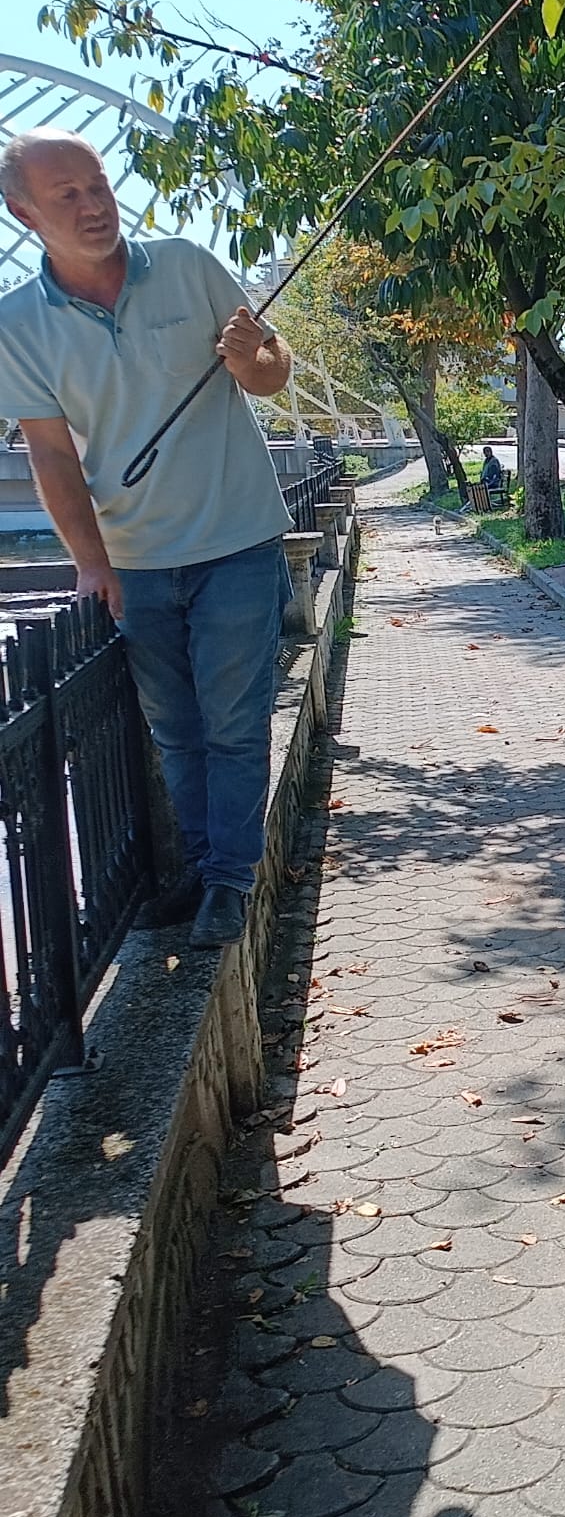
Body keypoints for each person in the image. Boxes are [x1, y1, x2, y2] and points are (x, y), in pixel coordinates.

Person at [0, 128, 295, 950]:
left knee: (234, 725)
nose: (94, 205)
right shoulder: (16, 323)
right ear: (24, 213)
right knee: (177, 730)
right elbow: (52, 454)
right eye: (68, 195)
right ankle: (207, 872)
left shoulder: (189, 264)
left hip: (237, 541)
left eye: (98, 185)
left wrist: (252, 357)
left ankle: (229, 884)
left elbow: (271, 371)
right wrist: (92, 565)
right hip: (137, 563)